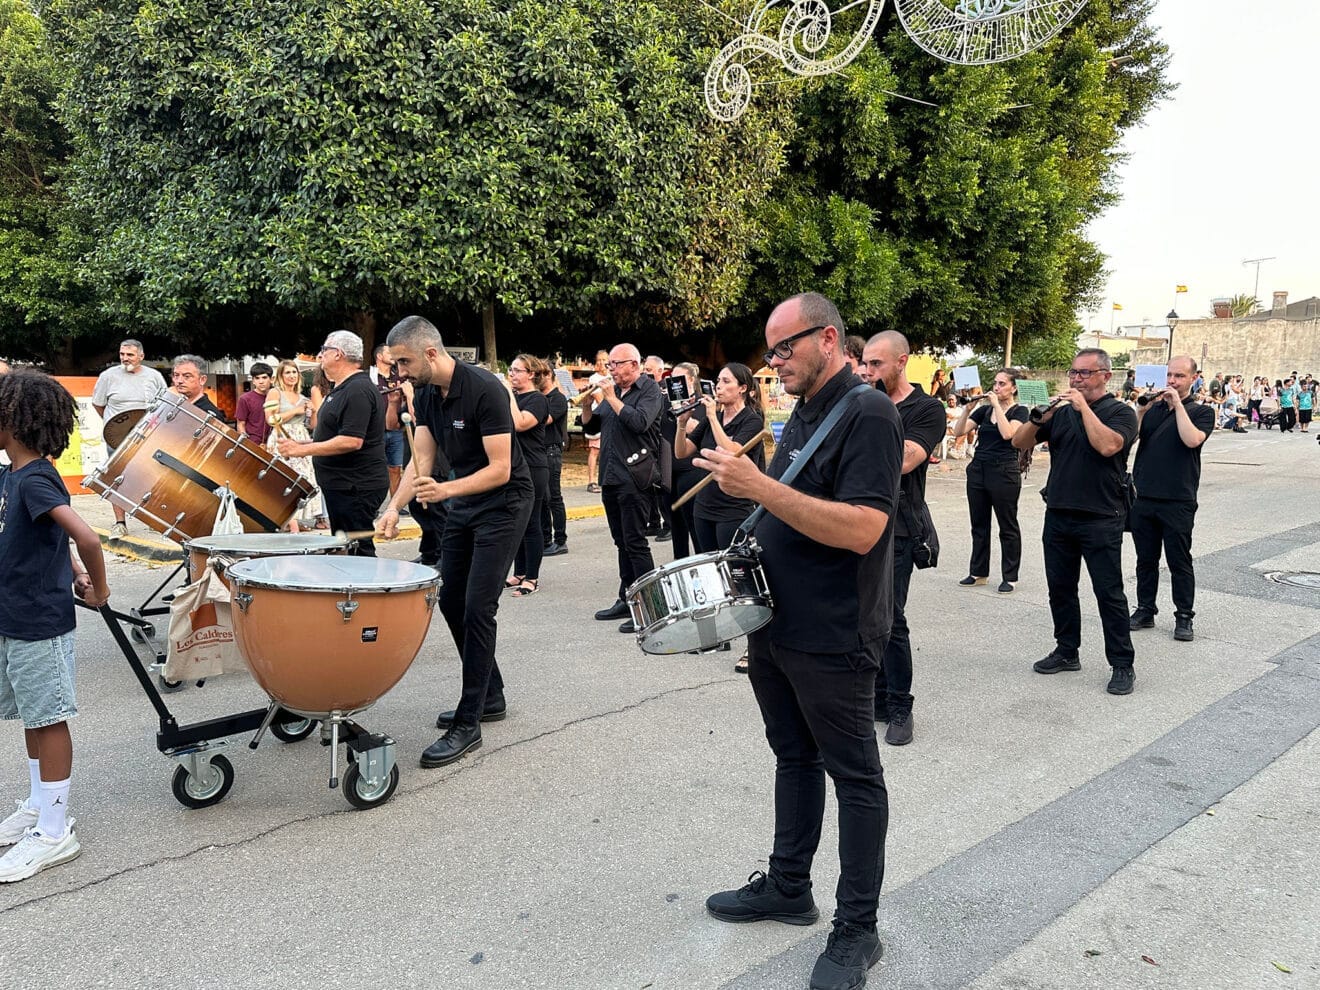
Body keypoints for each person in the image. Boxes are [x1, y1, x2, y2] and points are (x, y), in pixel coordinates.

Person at [698, 293, 902, 990]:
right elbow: (790, 506)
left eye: (785, 346)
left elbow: (863, 529)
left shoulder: (870, 412)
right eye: (770, 349)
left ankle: (858, 931)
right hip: (777, 623)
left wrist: (758, 484)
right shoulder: (806, 411)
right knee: (793, 755)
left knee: (856, 778)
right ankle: (789, 885)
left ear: (830, 339)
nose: (774, 359)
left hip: (835, 630)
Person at [378, 316, 533, 768]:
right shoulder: (426, 394)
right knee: (450, 601)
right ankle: (492, 696)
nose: (399, 372)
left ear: (429, 353)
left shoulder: (483, 388)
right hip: (465, 496)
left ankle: (469, 723)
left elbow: (501, 468)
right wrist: (393, 507)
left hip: (504, 501)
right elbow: (421, 459)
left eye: (404, 361)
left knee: (478, 607)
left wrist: (444, 490)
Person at [0, 371, 110, 882]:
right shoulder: (12, 474)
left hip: (38, 621)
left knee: (48, 719)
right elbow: (53, 540)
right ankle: (37, 805)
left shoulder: (37, 476)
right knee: (31, 715)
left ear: (12, 421)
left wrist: (101, 586)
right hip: (13, 616)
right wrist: (78, 570)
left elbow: (86, 537)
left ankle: (55, 829)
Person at [1012, 348, 1139, 695]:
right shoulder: (1060, 413)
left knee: (1109, 593)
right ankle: (1067, 650)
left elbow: (1109, 446)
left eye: (1085, 373)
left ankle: (1122, 664)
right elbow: (1018, 441)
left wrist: (1083, 409)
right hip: (1059, 514)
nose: (1077, 379)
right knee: (1060, 589)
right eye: (1073, 373)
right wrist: (1039, 418)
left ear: (1105, 376)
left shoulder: (1121, 413)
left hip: (1101, 516)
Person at [860, 331, 945, 746]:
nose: (869, 371)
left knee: (890, 619)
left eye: (877, 364)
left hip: (899, 528)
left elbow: (908, 458)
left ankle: (900, 706)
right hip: (857, 524)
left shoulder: (926, 408)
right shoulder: (860, 401)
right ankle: (874, 698)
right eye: (866, 364)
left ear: (901, 361)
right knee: (861, 614)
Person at [1128, 356, 1216, 644]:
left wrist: (1177, 404)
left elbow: (1192, 440)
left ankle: (1184, 616)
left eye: (1179, 376)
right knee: (1145, 559)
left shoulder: (1201, 411)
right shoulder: (1154, 410)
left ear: (1193, 378)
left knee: (1179, 560)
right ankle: (1145, 609)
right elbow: (1133, 438)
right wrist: (1142, 410)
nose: (1172, 381)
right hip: (1145, 496)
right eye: (1169, 376)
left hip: (1178, 499)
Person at [277, 332, 387, 555]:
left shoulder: (358, 389)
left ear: (338, 354)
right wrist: (304, 442)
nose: (319, 355)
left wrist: (302, 450)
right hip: (342, 485)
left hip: (355, 486)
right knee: (344, 547)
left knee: (357, 550)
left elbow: (352, 440)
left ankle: (364, 589)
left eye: (324, 350)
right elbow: (337, 433)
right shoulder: (341, 388)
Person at [584, 344, 665, 634]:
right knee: (621, 542)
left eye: (616, 364)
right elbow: (592, 427)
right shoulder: (613, 392)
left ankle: (651, 607)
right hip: (611, 476)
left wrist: (609, 397)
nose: (612, 370)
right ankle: (627, 598)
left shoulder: (650, 390)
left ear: (635, 364)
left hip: (635, 476)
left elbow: (639, 422)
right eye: (610, 366)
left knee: (636, 542)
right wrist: (586, 403)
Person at [675, 362, 766, 555]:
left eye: (726, 381)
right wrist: (681, 425)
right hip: (704, 506)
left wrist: (713, 417)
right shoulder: (711, 419)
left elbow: (733, 453)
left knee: (734, 569)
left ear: (742, 388)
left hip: (733, 509)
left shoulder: (752, 420)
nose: (718, 387)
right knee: (710, 567)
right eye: (718, 381)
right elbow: (682, 452)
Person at [952, 370, 1029, 593]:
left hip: (1004, 470)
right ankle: (978, 572)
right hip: (979, 469)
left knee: (1007, 525)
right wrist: (967, 410)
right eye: (995, 383)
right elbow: (958, 431)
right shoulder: (984, 410)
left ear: (1013, 388)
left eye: (1002, 384)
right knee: (979, 523)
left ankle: (1010, 576)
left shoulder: (1020, 411)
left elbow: (1009, 435)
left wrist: (997, 406)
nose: (996, 387)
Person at [92, 339, 167, 539]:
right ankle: (120, 523)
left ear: (141, 356)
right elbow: (98, 404)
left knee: (152, 477)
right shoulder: (108, 376)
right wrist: (115, 426)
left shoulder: (155, 376)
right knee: (117, 478)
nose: (125, 358)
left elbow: (164, 405)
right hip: (118, 440)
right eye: (122, 354)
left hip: (148, 437)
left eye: (130, 355)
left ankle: (153, 519)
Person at [505, 354, 550, 596]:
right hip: (513, 466)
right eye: (511, 370)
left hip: (533, 467)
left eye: (517, 370)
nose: (511, 374)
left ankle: (532, 578)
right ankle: (519, 572)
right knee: (517, 522)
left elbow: (520, 423)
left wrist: (508, 395)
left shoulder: (538, 400)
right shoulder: (514, 398)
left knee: (532, 523)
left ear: (531, 374)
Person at [265, 359, 323, 529]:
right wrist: (295, 411)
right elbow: (270, 419)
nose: (291, 376)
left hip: (301, 436)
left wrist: (313, 412)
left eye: (294, 372)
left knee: (305, 477)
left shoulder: (303, 397)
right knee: (285, 478)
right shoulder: (275, 393)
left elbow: (313, 426)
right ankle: (292, 524)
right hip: (281, 436)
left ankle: (295, 520)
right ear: (281, 376)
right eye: (287, 373)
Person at [666, 362, 705, 561]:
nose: (674, 383)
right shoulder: (666, 401)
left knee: (694, 523)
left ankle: (701, 561)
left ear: (690, 380)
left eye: (679, 378)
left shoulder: (699, 403)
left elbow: (695, 429)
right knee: (676, 524)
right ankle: (680, 563)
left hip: (691, 470)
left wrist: (681, 411)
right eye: (672, 378)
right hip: (669, 470)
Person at [368, 345, 406, 502]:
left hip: (395, 429)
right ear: (379, 356)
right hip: (374, 430)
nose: (393, 355)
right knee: (372, 469)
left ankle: (395, 504)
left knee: (395, 468)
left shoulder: (399, 377)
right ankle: (372, 504)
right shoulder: (369, 376)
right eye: (389, 352)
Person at [641, 354, 673, 542]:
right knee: (647, 485)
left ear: (660, 371)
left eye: (649, 370)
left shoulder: (666, 390)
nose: (646, 374)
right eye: (645, 370)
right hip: (648, 442)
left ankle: (668, 524)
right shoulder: (644, 390)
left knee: (663, 487)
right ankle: (653, 522)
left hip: (664, 441)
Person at [540, 364, 570, 557]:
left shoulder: (557, 398)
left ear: (550, 375)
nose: (536, 377)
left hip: (551, 451)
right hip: (538, 451)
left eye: (541, 373)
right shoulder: (538, 398)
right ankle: (545, 539)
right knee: (542, 499)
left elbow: (543, 419)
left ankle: (560, 540)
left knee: (554, 498)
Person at [583, 350, 609, 493]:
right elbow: (600, 399)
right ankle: (591, 481)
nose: (602, 363)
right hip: (598, 418)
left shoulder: (612, 377)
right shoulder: (594, 378)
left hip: (611, 418)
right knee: (594, 450)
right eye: (599, 360)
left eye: (604, 359)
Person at [169, 355, 225, 420]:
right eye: (176, 375)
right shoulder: (173, 407)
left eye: (187, 376)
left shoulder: (210, 416)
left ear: (202, 380)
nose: (179, 381)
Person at [234, 362, 274, 447]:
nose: (261, 381)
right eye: (257, 378)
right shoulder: (245, 399)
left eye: (264, 377)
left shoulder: (276, 397)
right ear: (253, 381)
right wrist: (246, 445)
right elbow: (240, 424)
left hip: (273, 444)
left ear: (271, 379)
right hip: (253, 445)